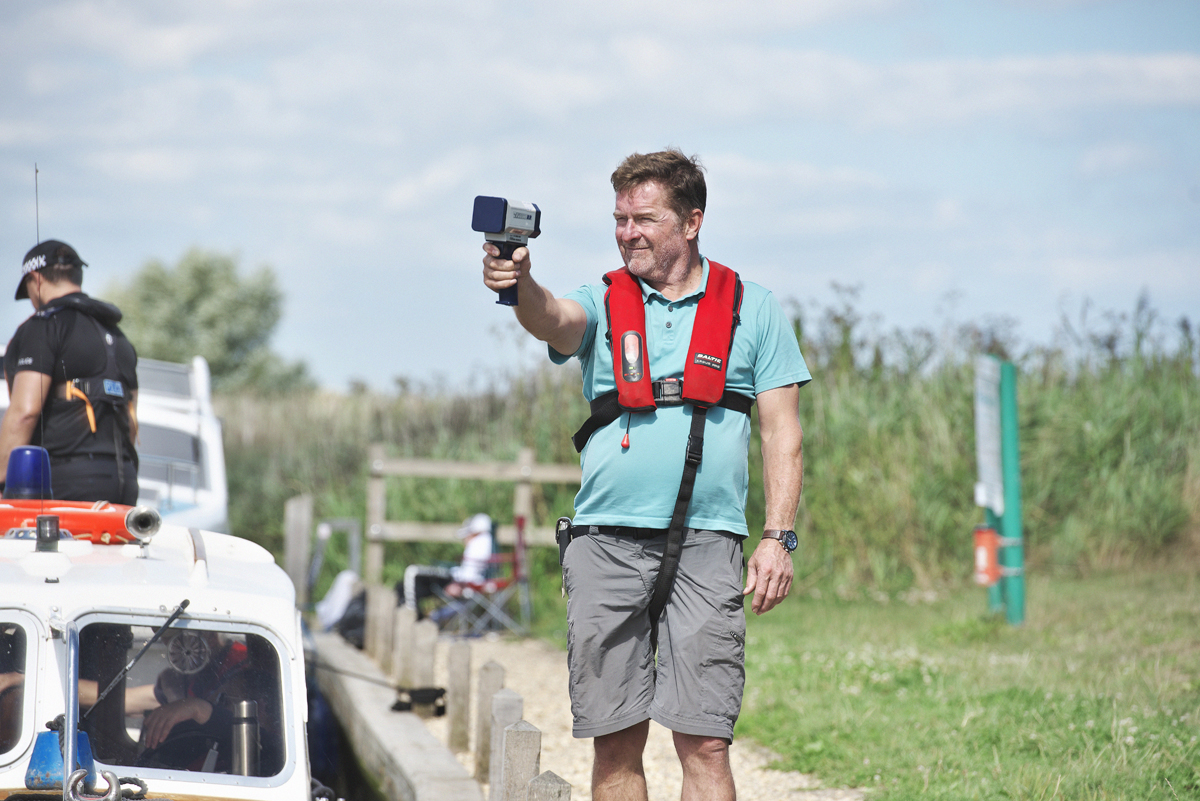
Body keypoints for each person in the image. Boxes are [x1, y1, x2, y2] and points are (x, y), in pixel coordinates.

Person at [482, 149, 809, 801]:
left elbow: (782, 431)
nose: (627, 231)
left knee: (707, 742)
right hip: (605, 543)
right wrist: (518, 284)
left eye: (644, 218)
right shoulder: (601, 299)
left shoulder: (755, 307)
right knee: (616, 740)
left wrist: (779, 536)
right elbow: (551, 316)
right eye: (620, 218)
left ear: (692, 222)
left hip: (708, 544)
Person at [0, 240, 139, 504]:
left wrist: (1, 478)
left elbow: (25, 412)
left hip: (64, 485)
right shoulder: (119, 338)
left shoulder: (42, 327)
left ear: (35, 279)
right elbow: (131, 425)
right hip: (124, 484)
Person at [396, 512, 495, 618]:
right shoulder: (485, 542)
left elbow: (470, 573)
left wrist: (459, 585)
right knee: (415, 585)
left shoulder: (479, 543)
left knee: (412, 572)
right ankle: (420, 617)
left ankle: (412, 616)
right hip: (459, 579)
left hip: (459, 581)